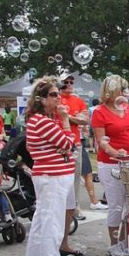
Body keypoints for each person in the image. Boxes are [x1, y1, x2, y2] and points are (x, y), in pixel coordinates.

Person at [23, 77, 75, 256]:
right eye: (53, 95)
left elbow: (62, 144)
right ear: (42, 99)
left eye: (58, 94)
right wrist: (65, 122)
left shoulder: (38, 120)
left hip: (49, 175)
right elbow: (68, 143)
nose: (58, 98)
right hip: (52, 177)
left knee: (41, 220)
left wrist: (63, 141)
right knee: (52, 223)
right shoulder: (44, 121)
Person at [92, 74, 129, 256]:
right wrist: (115, 153)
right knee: (116, 205)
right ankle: (115, 245)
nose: (125, 93)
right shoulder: (100, 112)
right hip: (111, 164)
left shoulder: (126, 108)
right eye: (121, 89)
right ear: (111, 91)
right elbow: (101, 141)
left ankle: (125, 242)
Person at [59, 74, 88, 230]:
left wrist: (67, 117)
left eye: (71, 82)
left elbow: (85, 120)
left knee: (76, 177)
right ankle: (62, 207)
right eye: (66, 82)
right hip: (59, 144)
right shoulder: (56, 98)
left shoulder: (78, 100)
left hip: (75, 143)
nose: (69, 84)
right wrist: (74, 118)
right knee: (61, 178)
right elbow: (57, 116)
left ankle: (74, 206)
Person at [80, 125, 108, 211]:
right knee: (86, 174)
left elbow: (86, 129)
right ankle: (93, 202)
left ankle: (94, 201)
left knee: (88, 173)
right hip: (74, 143)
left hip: (78, 142)